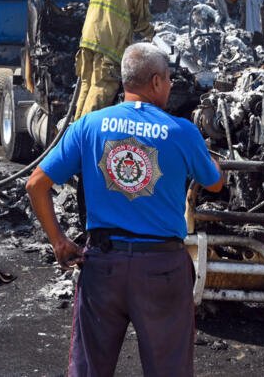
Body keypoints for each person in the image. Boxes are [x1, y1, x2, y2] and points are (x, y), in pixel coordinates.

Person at [26, 43, 223, 377]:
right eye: (169, 79)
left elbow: (36, 184)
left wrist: (59, 241)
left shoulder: (88, 125)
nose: (171, 85)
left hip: (103, 266)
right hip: (162, 269)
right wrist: (212, 160)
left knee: (89, 369)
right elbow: (215, 184)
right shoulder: (181, 131)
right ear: (156, 81)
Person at [74, 0, 155, 119]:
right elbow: (141, 24)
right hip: (109, 48)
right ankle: (86, 132)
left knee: (86, 86)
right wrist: (154, 34)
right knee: (101, 89)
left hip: (87, 42)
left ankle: (74, 127)